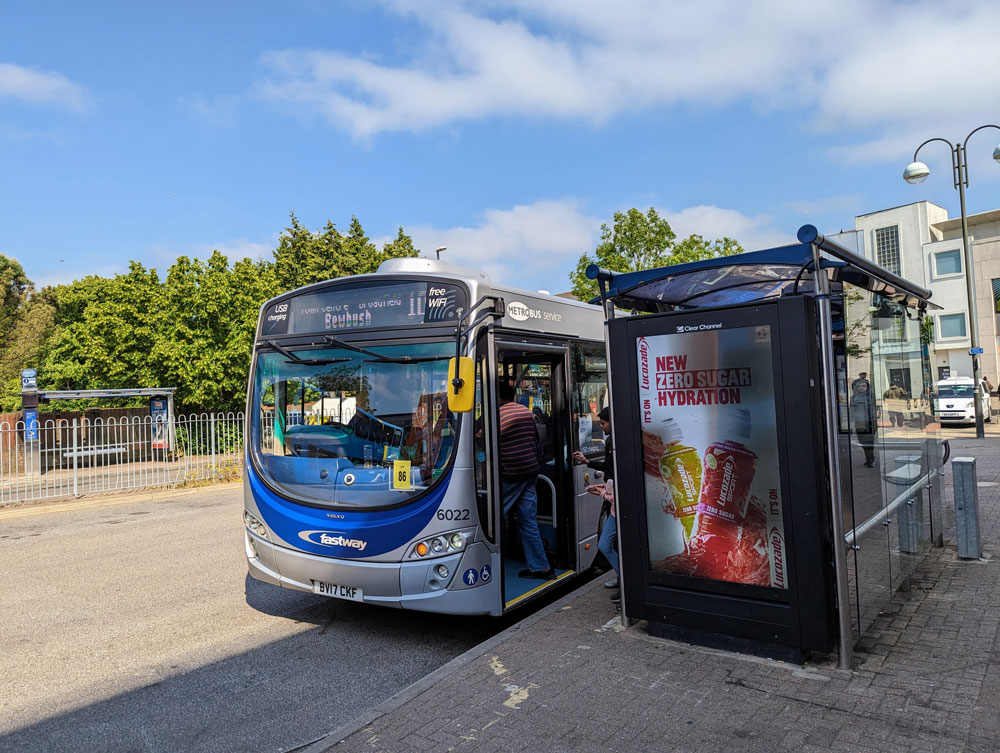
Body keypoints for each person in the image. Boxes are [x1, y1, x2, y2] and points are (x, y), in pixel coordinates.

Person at [497, 382, 552, 579]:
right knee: (528, 522)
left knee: (490, 517)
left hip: (511, 474)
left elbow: (484, 440)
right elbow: (536, 439)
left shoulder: (499, 415)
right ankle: (541, 567)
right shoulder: (525, 411)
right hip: (531, 472)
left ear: (497, 396)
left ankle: (487, 564)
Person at [573, 407, 616, 588]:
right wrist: (587, 462)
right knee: (608, 544)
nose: (601, 427)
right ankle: (622, 578)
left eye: (603, 423)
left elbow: (614, 474)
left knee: (607, 544)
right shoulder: (611, 441)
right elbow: (609, 469)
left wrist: (603, 492)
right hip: (612, 501)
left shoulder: (614, 442)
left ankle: (625, 580)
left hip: (615, 503)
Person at [851, 378, 878, 467]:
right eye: (859, 386)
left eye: (863, 386)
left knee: (869, 442)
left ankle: (871, 459)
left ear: (867, 387)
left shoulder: (871, 397)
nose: (861, 388)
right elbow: (851, 411)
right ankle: (868, 458)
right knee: (862, 442)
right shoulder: (854, 398)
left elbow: (875, 408)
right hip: (859, 422)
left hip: (870, 422)